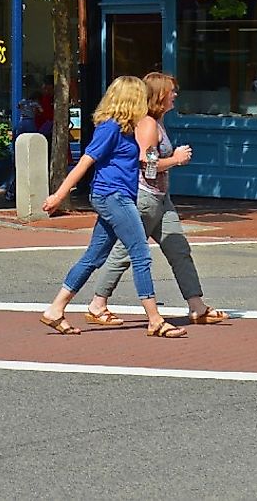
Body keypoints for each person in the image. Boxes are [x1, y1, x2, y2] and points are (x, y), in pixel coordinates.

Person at [38, 77, 183, 339]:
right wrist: (59, 195)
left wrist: (161, 154)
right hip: (113, 196)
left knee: (94, 256)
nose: (144, 102)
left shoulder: (129, 129)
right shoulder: (110, 128)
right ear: (130, 100)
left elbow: (147, 163)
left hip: (117, 196)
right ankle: (155, 319)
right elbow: (85, 162)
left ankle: (55, 309)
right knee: (140, 253)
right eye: (140, 97)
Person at [83, 70, 226, 326]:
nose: (175, 95)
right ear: (160, 95)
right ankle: (98, 303)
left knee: (179, 249)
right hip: (144, 198)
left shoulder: (157, 121)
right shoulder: (148, 124)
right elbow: (146, 165)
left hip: (162, 198)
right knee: (126, 252)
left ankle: (196, 305)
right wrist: (176, 160)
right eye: (171, 91)